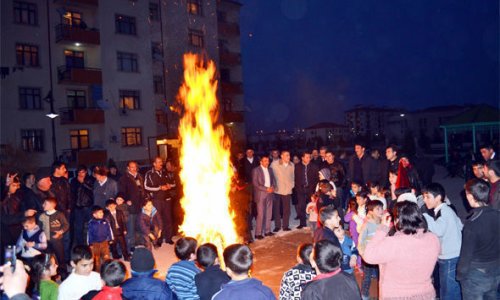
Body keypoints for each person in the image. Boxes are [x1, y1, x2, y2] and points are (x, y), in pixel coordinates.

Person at [363, 201, 440, 299]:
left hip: (397, 296)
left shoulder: (392, 243)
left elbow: (368, 256)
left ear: (397, 220)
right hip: (425, 295)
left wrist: (382, 228)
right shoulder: (433, 239)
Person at [457, 179, 500, 299]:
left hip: (476, 274)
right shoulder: (497, 214)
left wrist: (460, 275)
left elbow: (466, 255)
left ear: (470, 196)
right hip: (496, 270)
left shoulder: (472, 223)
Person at [421, 183, 462, 300]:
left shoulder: (444, 211)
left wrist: (425, 216)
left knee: (449, 292)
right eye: (424, 197)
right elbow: (460, 225)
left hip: (450, 257)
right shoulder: (446, 210)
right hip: (450, 256)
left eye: (428, 197)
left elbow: (439, 230)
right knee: (448, 289)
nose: (425, 200)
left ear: (438, 197)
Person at [358, 200, 384, 300]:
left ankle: (381, 295)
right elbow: (361, 241)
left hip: (380, 255)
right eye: (378, 209)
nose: (381, 211)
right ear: (371, 211)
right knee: (367, 277)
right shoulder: (367, 224)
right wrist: (363, 254)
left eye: (381, 208)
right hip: (368, 256)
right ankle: (364, 295)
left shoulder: (383, 223)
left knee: (381, 277)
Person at [144, 157, 174, 245]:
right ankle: (159, 240)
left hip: (167, 200)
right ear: (154, 163)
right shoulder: (149, 174)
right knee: (157, 220)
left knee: (168, 219)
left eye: (161, 161)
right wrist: (159, 188)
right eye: (159, 162)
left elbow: (174, 183)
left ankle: (168, 238)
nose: (161, 163)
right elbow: (146, 187)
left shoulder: (165, 172)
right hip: (157, 200)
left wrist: (169, 186)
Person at [39, 197, 69, 278]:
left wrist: (60, 232)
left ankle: (63, 273)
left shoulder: (59, 214)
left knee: (60, 257)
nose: (43, 205)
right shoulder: (42, 216)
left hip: (57, 240)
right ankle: (50, 274)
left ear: (52, 205)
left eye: (45, 204)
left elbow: (66, 225)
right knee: (47, 258)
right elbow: (39, 227)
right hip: (46, 241)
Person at [252, 156, 276, 239]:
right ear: (260, 162)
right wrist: (266, 189)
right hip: (261, 194)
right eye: (265, 161)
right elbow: (255, 184)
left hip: (270, 194)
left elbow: (273, 180)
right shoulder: (256, 170)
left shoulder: (270, 170)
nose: (267, 162)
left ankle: (267, 231)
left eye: (268, 161)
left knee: (269, 213)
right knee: (261, 214)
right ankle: (258, 233)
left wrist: (272, 187)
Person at [270, 150, 294, 232]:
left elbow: (293, 177)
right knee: (276, 209)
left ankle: (285, 226)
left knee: (287, 209)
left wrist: (292, 186)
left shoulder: (292, 165)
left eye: (289, 155)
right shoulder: (274, 164)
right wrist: (273, 185)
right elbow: (270, 176)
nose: (289, 157)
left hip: (287, 190)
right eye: (287, 155)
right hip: (277, 190)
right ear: (282, 156)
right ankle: (277, 226)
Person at [70, 165, 94, 246]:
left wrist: (83, 182)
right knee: (78, 227)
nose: (81, 174)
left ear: (86, 172)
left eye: (83, 172)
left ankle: (91, 243)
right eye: (79, 172)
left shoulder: (90, 179)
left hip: (88, 206)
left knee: (91, 225)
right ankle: (80, 245)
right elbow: (72, 193)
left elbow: (92, 190)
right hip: (78, 207)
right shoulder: (73, 180)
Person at [294, 151, 319, 229]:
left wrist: (315, 189)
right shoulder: (297, 166)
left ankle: (315, 222)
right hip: (301, 189)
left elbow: (316, 178)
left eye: (309, 157)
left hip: (311, 189)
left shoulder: (314, 166)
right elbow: (295, 178)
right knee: (301, 206)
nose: (309, 159)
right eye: (307, 157)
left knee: (313, 206)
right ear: (302, 158)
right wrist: (298, 187)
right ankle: (302, 223)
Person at [87, 206, 113, 272]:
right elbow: (89, 234)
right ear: (94, 215)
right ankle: (97, 272)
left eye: (102, 212)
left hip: (104, 243)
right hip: (95, 244)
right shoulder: (91, 223)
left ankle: (107, 271)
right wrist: (90, 243)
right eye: (99, 213)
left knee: (106, 257)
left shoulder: (105, 221)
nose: (102, 214)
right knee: (96, 260)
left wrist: (110, 238)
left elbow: (109, 230)